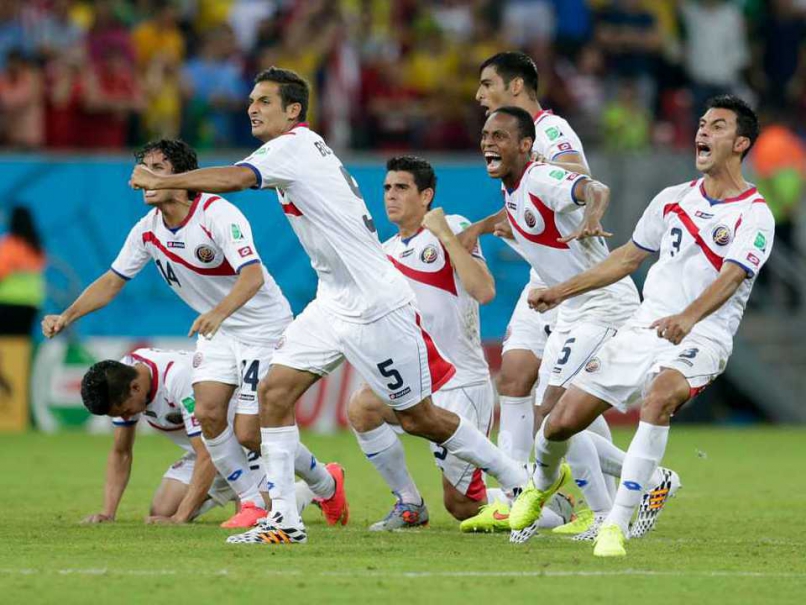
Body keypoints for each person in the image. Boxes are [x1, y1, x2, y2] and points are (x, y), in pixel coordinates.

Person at [129, 67, 528, 545]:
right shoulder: (294, 149)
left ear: (294, 110)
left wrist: (167, 179)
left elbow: (235, 178)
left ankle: (519, 482)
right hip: (332, 301)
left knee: (419, 418)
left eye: (264, 101)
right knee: (274, 395)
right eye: (251, 100)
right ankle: (284, 519)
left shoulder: (294, 146)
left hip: (375, 305)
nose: (252, 108)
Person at [42, 139, 346, 530]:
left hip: (261, 326)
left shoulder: (216, 214)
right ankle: (252, 504)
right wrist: (67, 315)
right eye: (143, 167)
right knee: (208, 413)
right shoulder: (147, 230)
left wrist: (217, 312)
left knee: (249, 432)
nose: (144, 177)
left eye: (157, 168)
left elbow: (253, 277)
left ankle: (325, 482)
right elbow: (113, 281)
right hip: (218, 328)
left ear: (183, 177)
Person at [516, 95, 772, 557]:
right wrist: (561, 291)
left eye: (716, 126)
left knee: (660, 397)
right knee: (559, 424)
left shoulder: (755, 214)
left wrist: (688, 317)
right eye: (701, 124)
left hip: (703, 335)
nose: (702, 132)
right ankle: (541, 484)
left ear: (741, 143)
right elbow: (627, 259)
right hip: (643, 329)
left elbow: (733, 276)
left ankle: (616, 524)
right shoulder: (672, 199)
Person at [347, 156, 573, 532]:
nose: (391, 195)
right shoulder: (385, 253)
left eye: (401, 187)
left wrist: (447, 237)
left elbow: (484, 291)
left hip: (461, 384)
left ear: (426, 196)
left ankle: (555, 511)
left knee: (463, 506)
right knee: (363, 407)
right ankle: (409, 502)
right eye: (387, 188)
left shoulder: (452, 226)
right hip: (419, 381)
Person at [466, 106, 649, 543]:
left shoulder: (540, 178)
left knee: (552, 413)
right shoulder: (513, 190)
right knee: (557, 417)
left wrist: (591, 215)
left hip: (603, 305)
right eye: (486, 135)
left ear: (525, 145)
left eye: (500, 136)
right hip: (571, 310)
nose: (489, 142)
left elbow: (595, 188)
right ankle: (632, 491)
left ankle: (563, 495)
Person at [80, 348, 315, 524]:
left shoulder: (178, 378)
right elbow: (121, 452)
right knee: (162, 510)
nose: (126, 417)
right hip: (206, 449)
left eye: (125, 411)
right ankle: (235, 490)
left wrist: (180, 518)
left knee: (260, 518)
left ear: (135, 388)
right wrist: (108, 513)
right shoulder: (121, 379)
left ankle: (308, 490)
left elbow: (208, 454)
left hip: (244, 445)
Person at [0, 206, 46, 335]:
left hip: (9, 301)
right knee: (22, 339)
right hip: (32, 302)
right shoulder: (36, 246)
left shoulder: (10, 244)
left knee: (7, 340)